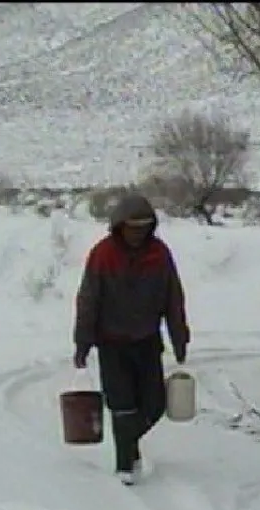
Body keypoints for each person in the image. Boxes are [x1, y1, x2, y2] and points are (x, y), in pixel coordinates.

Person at [72, 193, 190, 485]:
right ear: (119, 226)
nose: (138, 233)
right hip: (111, 343)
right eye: (132, 227)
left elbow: (173, 298)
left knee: (154, 405)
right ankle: (125, 465)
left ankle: (128, 445)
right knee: (122, 405)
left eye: (144, 226)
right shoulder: (102, 254)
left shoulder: (160, 254)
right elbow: (88, 300)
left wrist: (179, 336)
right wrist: (83, 342)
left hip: (147, 341)